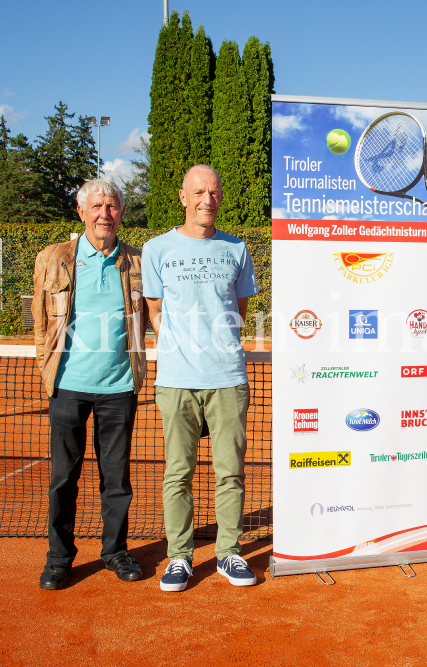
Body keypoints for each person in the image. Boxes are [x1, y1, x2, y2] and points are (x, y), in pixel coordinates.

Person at [143, 164, 260, 592]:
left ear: (220, 197)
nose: (206, 199)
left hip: (227, 378)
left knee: (230, 472)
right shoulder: (156, 249)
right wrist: (181, 343)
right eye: (198, 191)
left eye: (213, 191)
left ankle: (229, 552)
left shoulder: (237, 248)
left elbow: (239, 308)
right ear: (182, 196)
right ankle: (180, 558)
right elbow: (154, 310)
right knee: (179, 472)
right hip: (175, 381)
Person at [32, 178, 148, 590]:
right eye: (97, 206)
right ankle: (59, 558)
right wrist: (48, 370)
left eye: (112, 206)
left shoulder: (137, 261)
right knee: (63, 479)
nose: (105, 213)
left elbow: (156, 316)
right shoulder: (53, 258)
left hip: (119, 388)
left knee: (116, 480)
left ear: (121, 212)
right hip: (67, 387)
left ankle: (115, 551)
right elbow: (41, 322)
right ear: (81, 212)